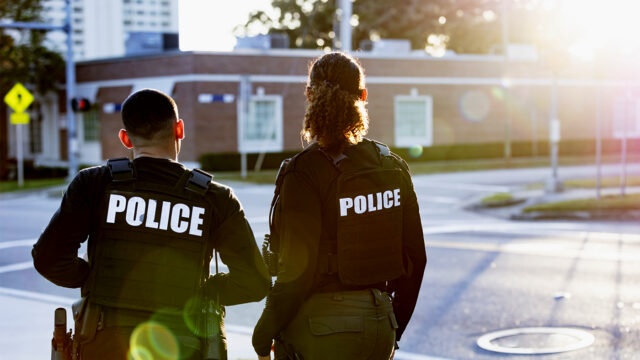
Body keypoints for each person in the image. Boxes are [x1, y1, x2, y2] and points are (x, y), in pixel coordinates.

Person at [32, 89, 271, 359]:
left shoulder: (93, 183)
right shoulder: (216, 198)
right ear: (179, 129)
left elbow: (48, 259)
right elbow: (254, 282)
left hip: (103, 342)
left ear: (125, 138)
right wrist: (200, 291)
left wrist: (94, 279)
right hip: (183, 345)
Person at [252, 52, 427, 360]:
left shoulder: (304, 171)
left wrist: (263, 333)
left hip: (320, 328)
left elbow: (297, 272)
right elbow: (416, 258)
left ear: (309, 95)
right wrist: (393, 325)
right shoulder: (393, 166)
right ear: (363, 96)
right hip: (379, 326)